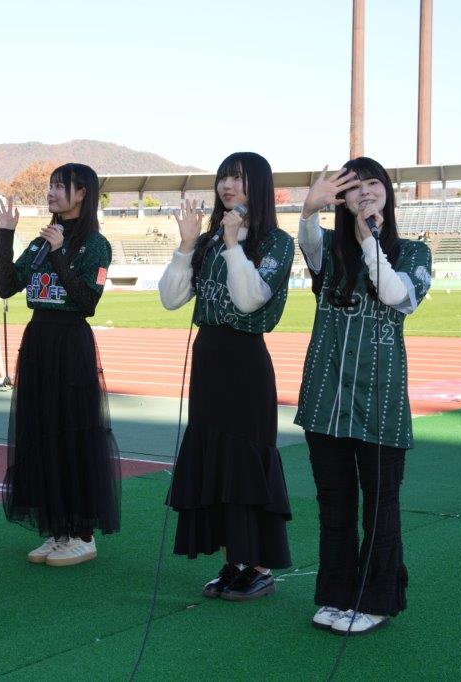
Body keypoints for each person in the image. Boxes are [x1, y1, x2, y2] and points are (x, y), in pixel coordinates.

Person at [295, 158, 433, 634]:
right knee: (334, 505)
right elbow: (308, 241)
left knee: (380, 506)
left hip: (381, 401)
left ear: (388, 192)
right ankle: (336, 595)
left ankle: (376, 600)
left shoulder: (413, 252)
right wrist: (308, 210)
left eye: (374, 183)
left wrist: (370, 240)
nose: (366, 192)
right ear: (342, 198)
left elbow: (397, 296)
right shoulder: (330, 250)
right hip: (325, 397)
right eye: (354, 187)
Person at [158, 152, 295, 601]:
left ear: (258, 184)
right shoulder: (209, 239)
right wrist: (186, 245)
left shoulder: (276, 242)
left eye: (237, 177)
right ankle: (233, 561)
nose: (227, 186)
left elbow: (250, 299)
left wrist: (235, 245)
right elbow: (171, 299)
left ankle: (258, 566)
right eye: (223, 178)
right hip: (209, 358)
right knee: (214, 460)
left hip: (245, 360)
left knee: (244, 461)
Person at [0, 163, 120, 567]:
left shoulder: (96, 245)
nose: (51, 192)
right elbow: (5, 286)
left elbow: (87, 301)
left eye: (60, 186)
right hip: (38, 342)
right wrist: (5, 235)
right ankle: (57, 529)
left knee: (72, 433)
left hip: (70, 343)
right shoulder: (40, 241)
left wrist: (61, 251)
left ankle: (83, 534)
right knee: (41, 433)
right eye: (50, 185)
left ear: (82, 193)